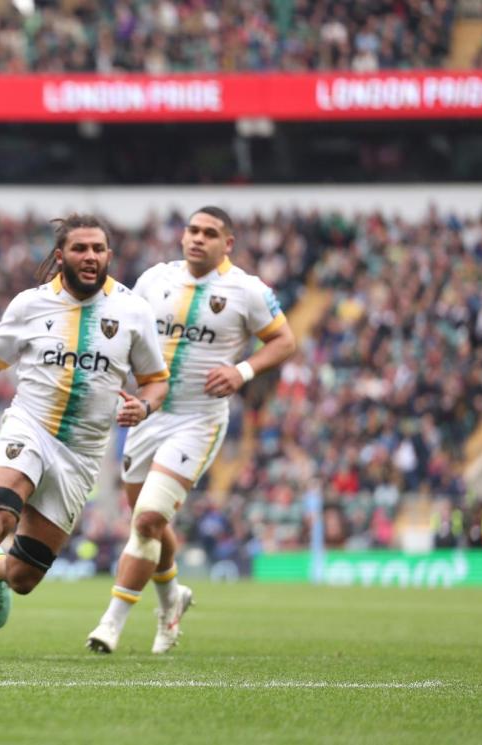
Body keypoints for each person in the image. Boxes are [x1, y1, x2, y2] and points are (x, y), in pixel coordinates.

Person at [0, 215, 170, 661]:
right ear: (60, 255)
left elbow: (156, 381)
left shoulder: (132, 311)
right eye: (80, 248)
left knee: (24, 578)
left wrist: (145, 405)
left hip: (82, 454)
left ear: (109, 255)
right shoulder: (30, 305)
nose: (90, 256)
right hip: (29, 427)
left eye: (98, 248)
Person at [87, 206, 296, 654]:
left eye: (210, 233)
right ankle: (172, 599)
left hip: (198, 419)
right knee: (149, 522)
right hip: (146, 413)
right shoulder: (153, 279)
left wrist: (242, 371)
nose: (198, 239)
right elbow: (127, 334)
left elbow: (284, 340)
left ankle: (112, 622)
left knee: (146, 520)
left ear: (228, 244)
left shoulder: (248, 291)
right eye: (192, 230)